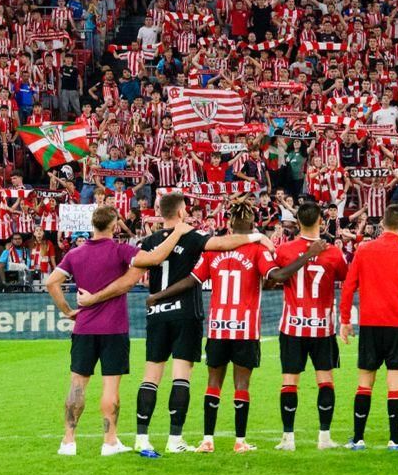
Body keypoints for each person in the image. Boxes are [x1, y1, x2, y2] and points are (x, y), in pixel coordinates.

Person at [77, 192, 275, 455]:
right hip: (185, 314)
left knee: (150, 378)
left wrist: (94, 299)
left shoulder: (148, 241)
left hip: (157, 314)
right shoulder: (193, 237)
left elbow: (128, 281)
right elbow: (226, 243)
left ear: (161, 212)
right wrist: (256, 236)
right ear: (181, 212)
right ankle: (174, 439)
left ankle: (142, 438)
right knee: (181, 377)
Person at [148, 198, 319, 453]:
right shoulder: (258, 250)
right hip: (245, 328)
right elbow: (280, 276)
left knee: (213, 383)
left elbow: (190, 281)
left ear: (228, 223)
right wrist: (309, 255)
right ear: (253, 225)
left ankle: (207, 440)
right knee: (241, 385)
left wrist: (158, 296)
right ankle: (240, 442)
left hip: (218, 327)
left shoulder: (213, 250)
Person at [46, 206, 186, 456]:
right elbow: (154, 259)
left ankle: (68, 441)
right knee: (111, 389)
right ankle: (109, 442)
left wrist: (67, 311)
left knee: (77, 386)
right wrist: (177, 233)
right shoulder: (120, 250)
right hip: (113, 329)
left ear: (93, 224)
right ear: (115, 225)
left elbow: (51, 282)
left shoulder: (75, 254)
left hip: (84, 329)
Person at [338, 204, 398, 450]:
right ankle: (394, 440)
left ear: (383, 224)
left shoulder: (364, 250)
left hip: (370, 324)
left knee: (364, 383)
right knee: (395, 384)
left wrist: (345, 320)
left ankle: (357, 439)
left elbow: (348, 287)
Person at [274, 199, 349, 451]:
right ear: (321, 221)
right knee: (325, 381)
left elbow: (275, 278)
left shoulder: (284, 250)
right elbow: (345, 279)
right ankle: (324, 438)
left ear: (297, 222)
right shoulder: (334, 252)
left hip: (292, 326)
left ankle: (288, 438)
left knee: (289, 381)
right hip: (322, 327)